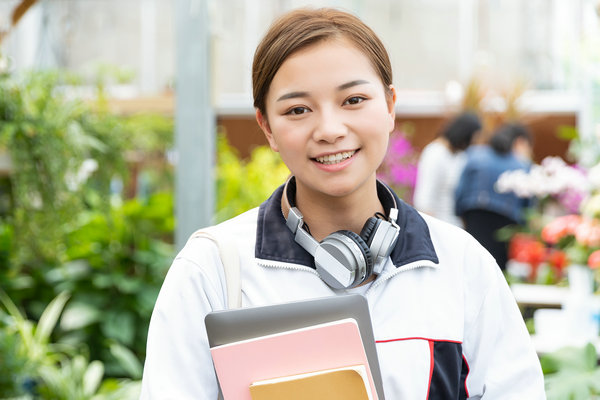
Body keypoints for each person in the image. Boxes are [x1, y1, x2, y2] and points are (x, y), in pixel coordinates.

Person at [140, 8, 544, 399]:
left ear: (389, 107)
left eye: (353, 100)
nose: (330, 130)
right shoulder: (212, 272)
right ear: (267, 127)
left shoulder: (462, 267)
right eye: (298, 110)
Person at [455, 123, 534, 271]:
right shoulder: (522, 164)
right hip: (506, 221)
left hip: (474, 216)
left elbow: (459, 191)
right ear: (520, 141)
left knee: (473, 264)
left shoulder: (473, 155)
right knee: (497, 269)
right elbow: (527, 206)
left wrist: (460, 212)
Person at [413, 112, 481, 227]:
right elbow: (424, 200)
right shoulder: (435, 153)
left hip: (454, 225)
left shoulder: (459, 156)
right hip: (437, 226)